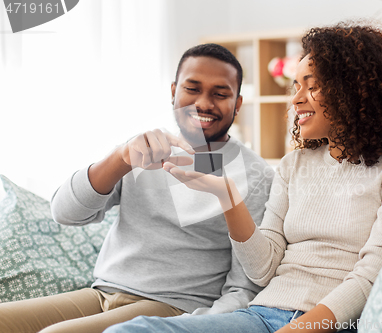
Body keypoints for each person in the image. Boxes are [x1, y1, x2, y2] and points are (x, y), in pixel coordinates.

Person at [104, 22, 382, 333]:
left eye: (314, 86)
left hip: (330, 323)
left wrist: (297, 329)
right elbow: (263, 269)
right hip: (261, 315)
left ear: (356, 90)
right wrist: (228, 198)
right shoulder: (295, 164)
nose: (295, 99)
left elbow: (372, 277)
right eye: (296, 86)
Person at [0, 44, 274, 333]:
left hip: (172, 307)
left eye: (220, 94)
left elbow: (245, 285)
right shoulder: (143, 148)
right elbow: (64, 213)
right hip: (101, 293)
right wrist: (120, 158)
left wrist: (198, 325)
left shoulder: (255, 176)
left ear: (238, 104)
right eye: (192, 89)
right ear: (173, 92)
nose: (203, 103)